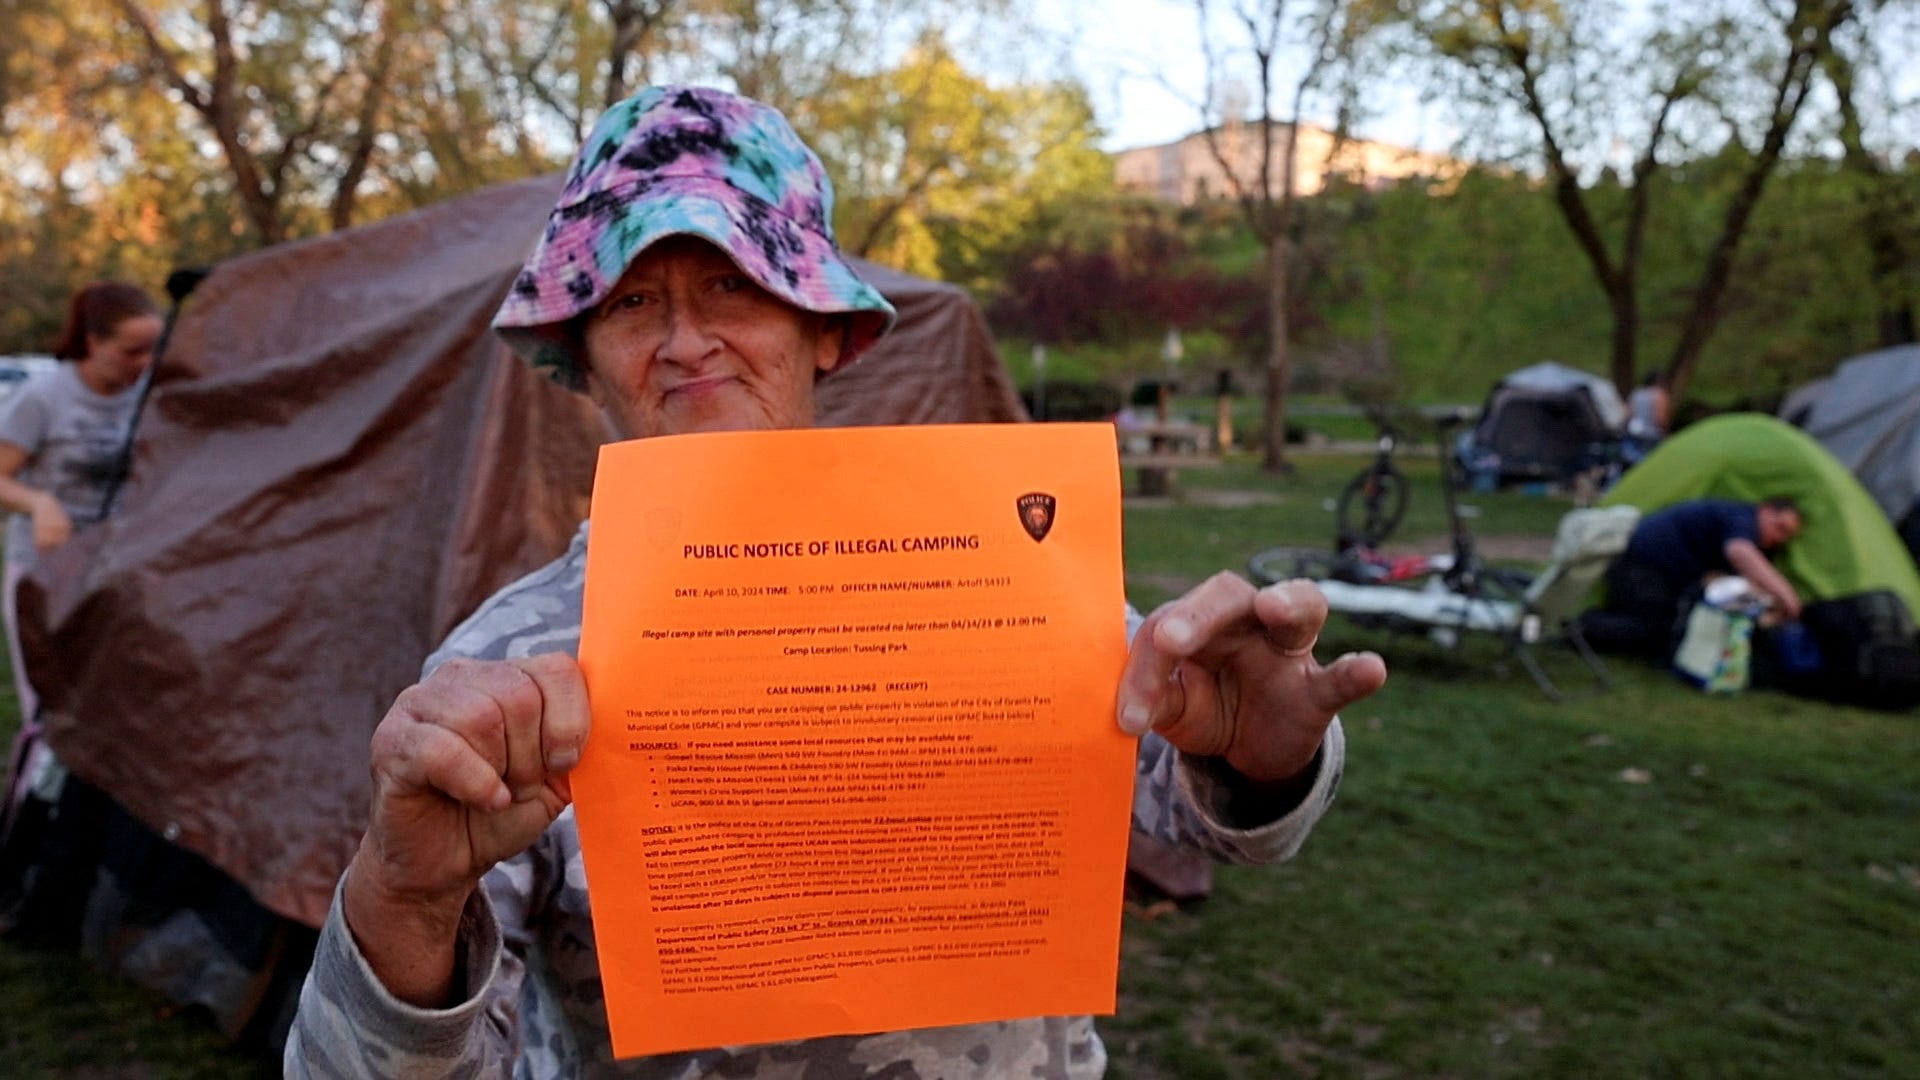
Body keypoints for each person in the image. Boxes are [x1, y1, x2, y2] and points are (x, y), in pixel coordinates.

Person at [284, 85, 1387, 1078]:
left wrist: (1263, 752)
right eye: (630, 303)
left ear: (824, 329)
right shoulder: (509, 667)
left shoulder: (996, 577)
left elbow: (1215, 815)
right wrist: (404, 897)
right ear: (581, 358)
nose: (685, 341)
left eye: (732, 283)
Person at [0, 282, 161, 720]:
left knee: (111, 704)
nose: (144, 362)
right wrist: (39, 504)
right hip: (44, 572)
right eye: (131, 351)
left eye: (152, 349)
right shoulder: (44, 397)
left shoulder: (148, 395)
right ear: (93, 343)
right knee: (51, 706)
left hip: (114, 569)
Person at [1592, 496, 1803, 658]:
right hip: (1643, 568)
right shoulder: (1741, 518)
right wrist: (1787, 597)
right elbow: (1739, 551)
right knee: (1656, 632)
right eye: (1779, 528)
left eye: (1785, 536)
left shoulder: (1739, 524)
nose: (1778, 538)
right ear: (1766, 510)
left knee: (1671, 629)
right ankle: (1584, 628)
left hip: (1656, 575)